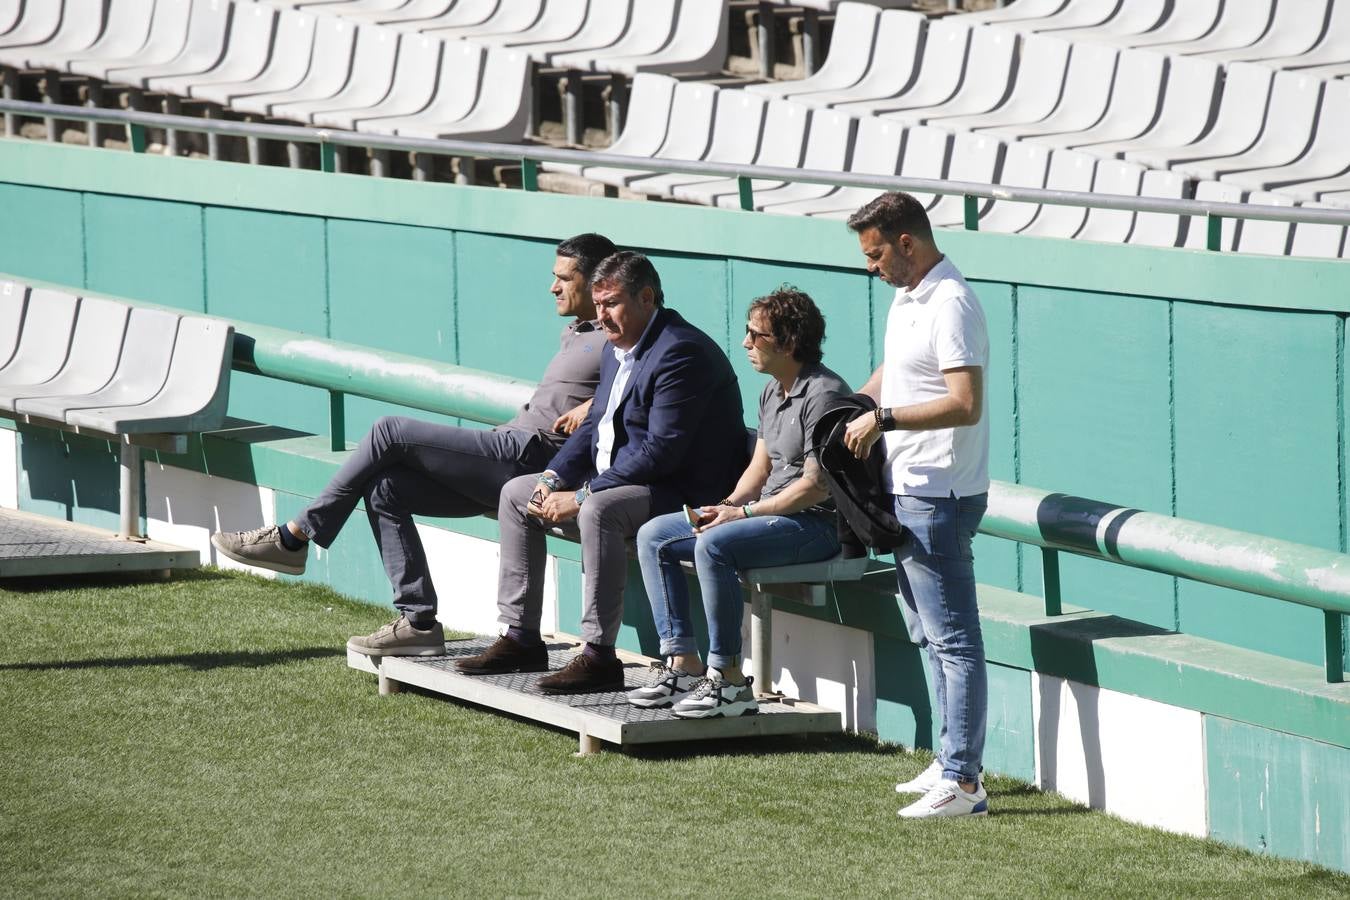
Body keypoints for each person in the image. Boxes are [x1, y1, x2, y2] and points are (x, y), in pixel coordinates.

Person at [211, 233, 618, 657]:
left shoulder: (616, 334)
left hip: (531, 456)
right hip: (505, 449)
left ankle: (293, 538)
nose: (553, 287)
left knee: (389, 431)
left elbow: (636, 381)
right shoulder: (576, 331)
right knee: (385, 487)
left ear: (595, 281)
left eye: (563, 278)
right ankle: (419, 621)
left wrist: (592, 404)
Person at [454, 251, 748, 694]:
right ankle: (520, 635)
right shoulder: (618, 346)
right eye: (597, 305)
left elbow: (660, 453)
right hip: (629, 481)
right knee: (519, 492)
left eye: (611, 303)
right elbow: (593, 424)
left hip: (681, 492)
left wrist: (582, 493)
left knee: (599, 510)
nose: (601, 316)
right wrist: (552, 479)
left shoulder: (680, 351)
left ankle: (597, 654)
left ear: (646, 297)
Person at [628, 287, 850, 719]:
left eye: (756, 335)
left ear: (787, 342)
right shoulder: (772, 391)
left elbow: (815, 488)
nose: (746, 343)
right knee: (654, 534)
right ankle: (683, 664)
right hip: (768, 517)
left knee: (715, 545)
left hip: (815, 527)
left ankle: (728, 679)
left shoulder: (825, 395)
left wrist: (739, 516)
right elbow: (759, 470)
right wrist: (724, 507)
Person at [842, 192, 991, 819]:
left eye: (877, 254)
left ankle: (964, 782)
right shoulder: (908, 295)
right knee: (928, 635)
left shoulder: (952, 301)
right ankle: (949, 758)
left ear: (907, 243)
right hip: (911, 488)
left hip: (941, 493)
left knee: (953, 639)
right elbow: (898, 370)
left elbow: (965, 402)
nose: (872, 266)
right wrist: (849, 403)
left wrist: (884, 419)